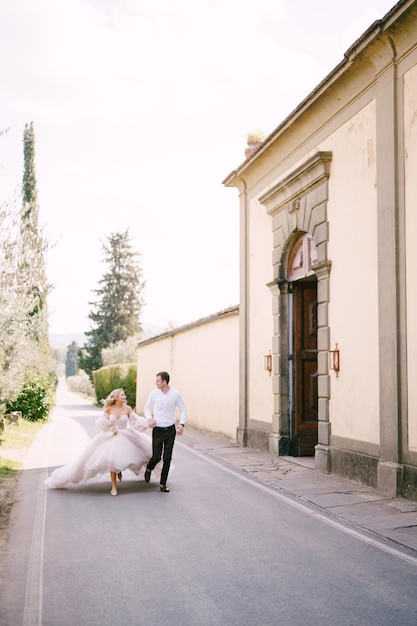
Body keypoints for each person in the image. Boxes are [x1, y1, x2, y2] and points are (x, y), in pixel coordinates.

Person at [44, 388, 156, 496]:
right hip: (111, 435)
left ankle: (120, 471)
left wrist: (148, 422)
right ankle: (113, 486)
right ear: (116, 397)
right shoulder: (109, 409)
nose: (124, 396)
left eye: (124, 395)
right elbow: (101, 422)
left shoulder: (128, 409)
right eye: (122, 395)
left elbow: (136, 420)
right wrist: (110, 428)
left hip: (125, 436)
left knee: (139, 455)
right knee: (111, 459)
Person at [144, 371, 186, 492]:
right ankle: (149, 469)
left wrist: (181, 424)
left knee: (167, 458)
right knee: (156, 457)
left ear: (164, 382)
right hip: (157, 429)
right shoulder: (154, 393)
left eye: (158, 381)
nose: (155, 383)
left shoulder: (175, 394)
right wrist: (149, 418)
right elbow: (147, 408)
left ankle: (163, 484)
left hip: (170, 430)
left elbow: (183, 409)